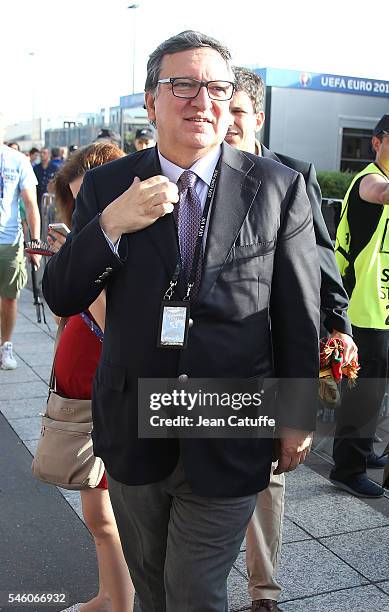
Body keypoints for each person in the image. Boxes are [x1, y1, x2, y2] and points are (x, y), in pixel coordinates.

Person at [43, 31, 321, 612]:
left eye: (216, 87)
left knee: (194, 594)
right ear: (151, 102)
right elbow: (64, 293)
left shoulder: (278, 188)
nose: (202, 100)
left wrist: (296, 418)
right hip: (134, 425)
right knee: (152, 590)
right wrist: (111, 225)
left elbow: (299, 315)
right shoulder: (107, 186)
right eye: (183, 85)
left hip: (230, 428)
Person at [225, 65, 357, 612]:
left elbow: (320, 268)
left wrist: (337, 327)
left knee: (265, 479)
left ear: (258, 116)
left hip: (272, 352)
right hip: (202, 354)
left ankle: (263, 591)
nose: (225, 121)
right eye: (220, 109)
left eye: (236, 111)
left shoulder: (293, 175)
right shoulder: (191, 174)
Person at [48, 143, 135, 612]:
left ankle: (117, 602)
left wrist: (87, 264)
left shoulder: (135, 241)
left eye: (95, 202)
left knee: (107, 515)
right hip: (82, 393)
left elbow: (111, 320)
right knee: (99, 517)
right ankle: (109, 597)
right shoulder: (87, 239)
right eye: (79, 203)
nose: (89, 214)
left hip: (116, 394)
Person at [331, 114, 389, 498]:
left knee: (374, 391)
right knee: (363, 393)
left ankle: (364, 451)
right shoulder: (368, 180)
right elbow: (381, 192)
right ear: (377, 142)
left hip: (382, 307)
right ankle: (347, 468)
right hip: (364, 310)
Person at [0, 113, 41, 369]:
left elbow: (30, 203)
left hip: (10, 240)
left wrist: (34, 243)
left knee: (9, 297)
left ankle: (6, 346)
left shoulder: (17, 160)